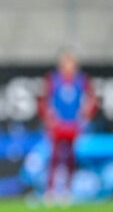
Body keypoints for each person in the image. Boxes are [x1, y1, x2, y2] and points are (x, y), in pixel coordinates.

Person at [39, 49, 97, 203]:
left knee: (70, 157)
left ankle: (67, 189)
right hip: (58, 125)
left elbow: (90, 101)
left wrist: (84, 117)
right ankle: (50, 190)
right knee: (55, 157)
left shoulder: (82, 80)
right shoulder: (53, 79)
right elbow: (45, 101)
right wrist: (50, 119)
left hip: (73, 125)